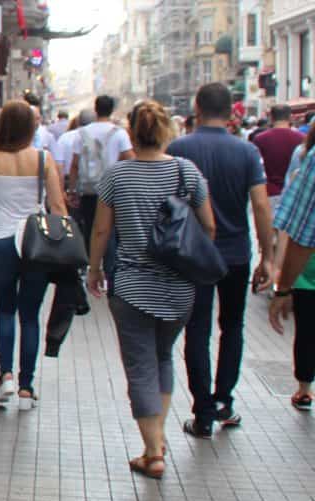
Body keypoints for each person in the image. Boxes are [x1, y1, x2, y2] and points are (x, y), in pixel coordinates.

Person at [86, 100, 216, 479]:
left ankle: (153, 450)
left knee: (140, 365)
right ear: (165, 133)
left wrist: (94, 269)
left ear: (132, 133)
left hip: (131, 286)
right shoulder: (186, 173)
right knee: (162, 357)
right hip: (179, 287)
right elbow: (209, 226)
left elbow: (101, 230)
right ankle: (155, 439)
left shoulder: (117, 177)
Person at [168, 83, 275, 438]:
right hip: (236, 253)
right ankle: (225, 400)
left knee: (197, 330)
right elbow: (260, 205)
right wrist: (268, 256)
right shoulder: (247, 152)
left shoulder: (180, 148)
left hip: (193, 255)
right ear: (232, 112)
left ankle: (202, 412)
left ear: (196, 109)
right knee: (232, 327)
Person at [0, 100, 67, 409]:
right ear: (31, 127)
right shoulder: (44, 159)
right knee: (30, 315)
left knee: (5, 310)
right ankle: (26, 386)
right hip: (36, 243)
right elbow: (58, 208)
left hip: (2, 239)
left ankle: (4, 376)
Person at [269, 126, 315, 408]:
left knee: (307, 328)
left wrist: (283, 288)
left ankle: (304, 386)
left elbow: (301, 234)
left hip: (308, 271)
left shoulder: (309, 160)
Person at [69, 95, 135, 281]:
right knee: (111, 230)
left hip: (89, 190)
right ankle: (110, 270)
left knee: (91, 227)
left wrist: (73, 189)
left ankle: (92, 266)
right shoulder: (119, 133)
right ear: (112, 109)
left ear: (95, 109)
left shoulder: (81, 133)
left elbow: (74, 164)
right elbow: (129, 158)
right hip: (113, 189)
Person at [253, 104, 305, 216]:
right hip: (293, 193)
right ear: (290, 117)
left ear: (271, 118)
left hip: (268, 193)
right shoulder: (301, 139)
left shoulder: (260, 139)